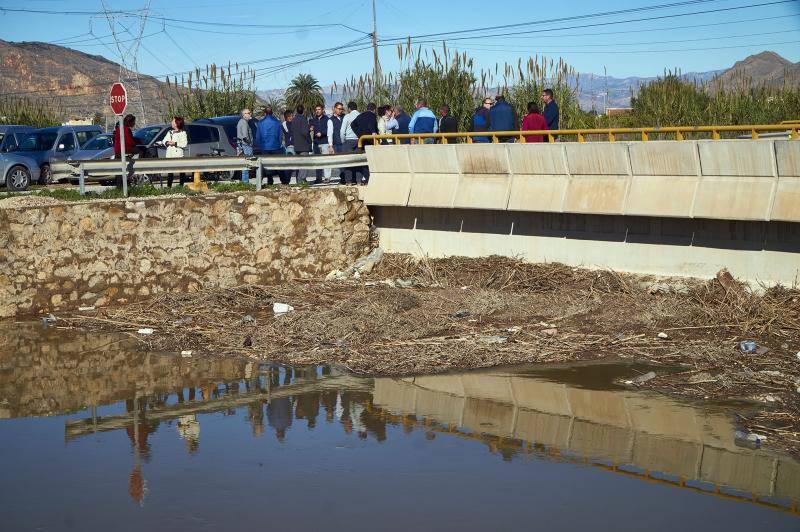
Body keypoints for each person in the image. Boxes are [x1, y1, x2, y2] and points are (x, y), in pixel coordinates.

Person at [253, 106, 286, 185]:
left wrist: (260, 145)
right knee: (278, 164)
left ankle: (270, 180)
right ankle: (283, 181)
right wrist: (278, 144)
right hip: (275, 146)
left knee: (266, 165)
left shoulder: (260, 123)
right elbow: (280, 136)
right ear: (272, 113)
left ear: (265, 113)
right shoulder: (277, 122)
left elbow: (258, 136)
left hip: (264, 147)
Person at [290, 104, 312, 184]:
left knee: (298, 164)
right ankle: (301, 180)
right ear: (303, 111)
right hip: (304, 145)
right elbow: (305, 132)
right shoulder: (303, 119)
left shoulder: (294, 119)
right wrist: (309, 132)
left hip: (296, 145)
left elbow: (292, 131)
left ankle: (298, 180)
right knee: (304, 163)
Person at [163, 116, 188, 187]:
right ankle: (169, 186)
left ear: (177, 123)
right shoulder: (169, 132)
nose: (171, 122)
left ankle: (181, 186)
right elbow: (164, 140)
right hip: (169, 155)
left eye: (173, 121)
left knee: (181, 171)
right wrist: (167, 142)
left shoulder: (183, 133)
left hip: (179, 155)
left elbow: (184, 144)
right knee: (170, 172)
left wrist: (175, 143)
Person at [339, 101, 361, 185]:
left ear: (349, 109)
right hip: (359, 140)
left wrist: (343, 141)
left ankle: (349, 181)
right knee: (359, 161)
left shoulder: (347, 117)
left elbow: (342, 131)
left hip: (348, 140)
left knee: (348, 161)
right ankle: (358, 181)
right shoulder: (360, 116)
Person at [309, 104, 331, 183]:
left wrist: (322, 133)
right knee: (317, 161)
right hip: (316, 143)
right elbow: (310, 128)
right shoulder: (313, 120)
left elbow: (329, 131)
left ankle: (327, 177)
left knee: (326, 161)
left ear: (322, 110)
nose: (317, 111)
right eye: (316, 110)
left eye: (319, 109)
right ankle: (318, 178)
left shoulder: (327, 119)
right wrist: (310, 129)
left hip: (325, 142)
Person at [327, 102, 345, 182]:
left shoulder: (344, 118)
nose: (340, 110)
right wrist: (330, 146)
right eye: (339, 109)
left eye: (341, 109)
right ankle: (343, 178)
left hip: (344, 143)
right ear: (334, 109)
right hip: (336, 144)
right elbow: (329, 133)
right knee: (340, 163)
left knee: (345, 162)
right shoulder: (331, 120)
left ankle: (346, 178)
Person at [236, 108, 254, 184]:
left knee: (245, 164)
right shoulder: (243, 122)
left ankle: (244, 182)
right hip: (246, 145)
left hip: (243, 145)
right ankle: (245, 182)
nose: (250, 114)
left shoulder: (242, 122)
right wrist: (249, 144)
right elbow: (245, 136)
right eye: (248, 113)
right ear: (244, 115)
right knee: (247, 164)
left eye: (250, 112)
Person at [282, 110, 295, 183]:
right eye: (290, 116)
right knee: (289, 164)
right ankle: (287, 180)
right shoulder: (285, 124)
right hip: (289, 146)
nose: (292, 117)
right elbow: (289, 131)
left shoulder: (292, 123)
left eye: (292, 116)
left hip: (294, 145)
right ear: (287, 117)